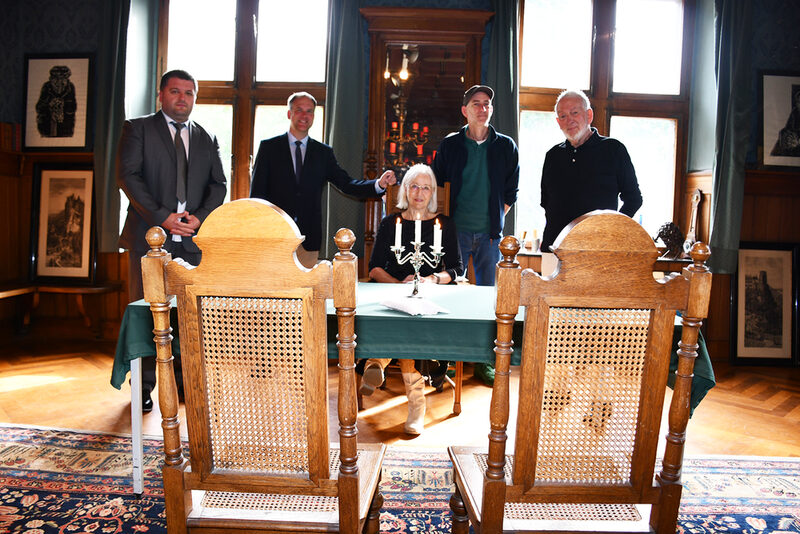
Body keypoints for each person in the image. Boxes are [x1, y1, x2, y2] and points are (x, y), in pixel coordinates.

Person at [118, 69, 227, 413]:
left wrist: (201, 217)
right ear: (161, 95)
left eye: (189, 93)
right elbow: (128, 177)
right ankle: (144, 387)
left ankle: (185, 383)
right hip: (149, 237)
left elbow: (219, 184)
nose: (183, 98)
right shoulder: (138, 129)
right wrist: (163, 216)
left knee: (189, 316)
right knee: (149, 314)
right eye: (176, 92)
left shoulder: (207, 136)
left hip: (193, 239)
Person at [361, 164, 463, 435]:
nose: (419, 192)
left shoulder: (445, 225)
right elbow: (373, 268)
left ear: (433, 194)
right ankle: (415, 405)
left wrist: (430, 280)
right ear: (405, 190)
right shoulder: (389, 223)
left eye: (426, 187)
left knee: (411, 322)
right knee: (402, 317)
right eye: (414, 186)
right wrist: (397, 286)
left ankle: (377, 361)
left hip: (430, 299)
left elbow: (457, 269)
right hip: (391, 295)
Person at [431, 84, 519, 386]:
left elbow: (511, 190)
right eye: (476, 103)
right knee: (448, 294)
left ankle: (483, 362)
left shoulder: (506, 146)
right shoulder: (451, 144)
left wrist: (496, 218)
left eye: (487, 104)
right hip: (454, 232)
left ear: (491, 110)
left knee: (487, 299)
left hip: (490, 235)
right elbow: (438, 185)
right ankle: (445, 360)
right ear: (465, 110)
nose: (482, 108)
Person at [249, 92, 396, 268]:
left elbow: (347, 184)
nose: (305, 116)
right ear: (289, 114)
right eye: (299, 110)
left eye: (309, 111)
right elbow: (257, 196)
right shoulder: (269, 148)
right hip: (273, 236)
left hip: (309, 238)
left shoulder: (323, 153)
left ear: (313, 116)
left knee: (305, 290)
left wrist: (378, 184)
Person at [540, 89, 642, 258]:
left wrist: (611, 231)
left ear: (589, 115)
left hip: (598, 250)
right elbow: (547, 203)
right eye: (563, 116)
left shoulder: (613, 149)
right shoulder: (552, 156)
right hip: (554, 249)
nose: (569, 120)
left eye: (574, 113)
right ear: (558, 122)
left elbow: (634, 199)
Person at [771, 88, 800, 157]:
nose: (798, 104)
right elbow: (789, 127)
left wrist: (798, 142)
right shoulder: (795, 112)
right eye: (798, 102)